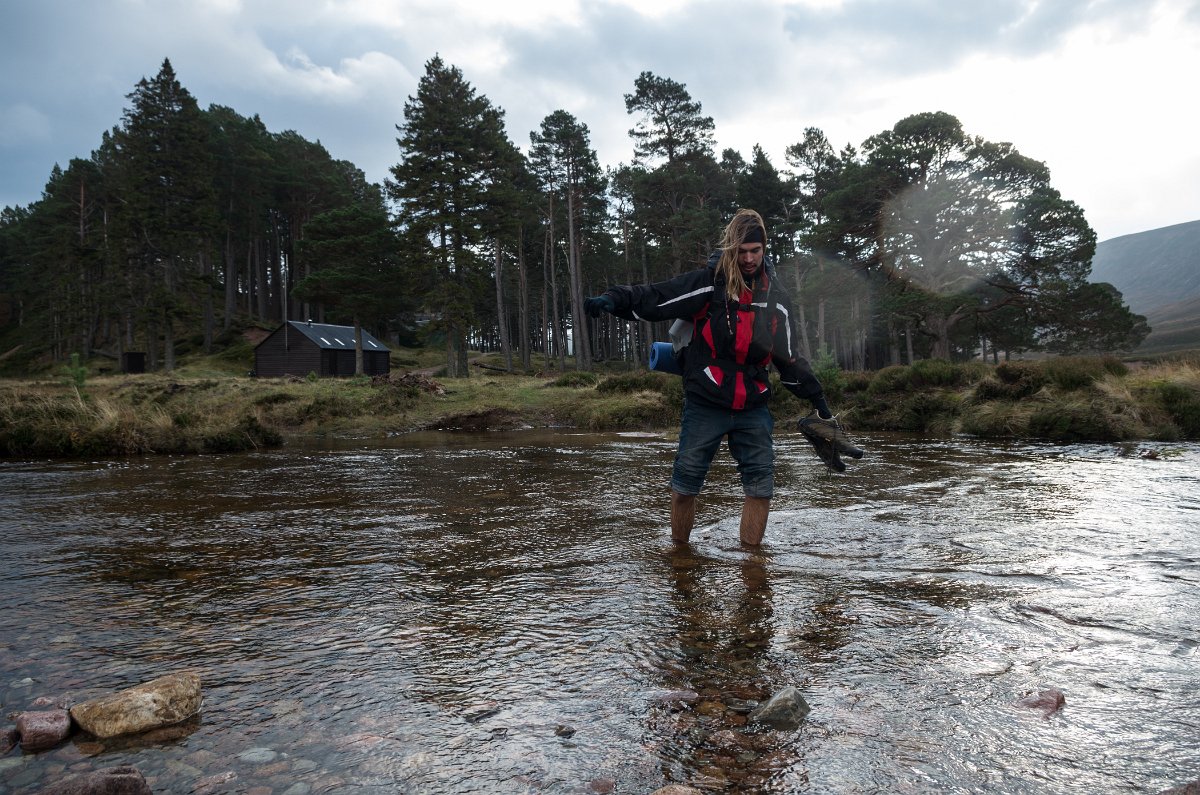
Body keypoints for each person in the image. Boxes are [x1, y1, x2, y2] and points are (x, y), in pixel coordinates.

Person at [584, 208, 835, 546]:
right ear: (731, 248)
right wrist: (613, 300)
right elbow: (657, 296)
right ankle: (680, 558)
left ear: (764, 248)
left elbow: (788, 358)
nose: (749, 259)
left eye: (755, 251)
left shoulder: (777, 298)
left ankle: (752, 564)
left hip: (753, 405)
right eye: (742, 252)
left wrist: (819, 402)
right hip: (705, 401)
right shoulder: (708, 284)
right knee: (685, 486)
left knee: (760, 489)